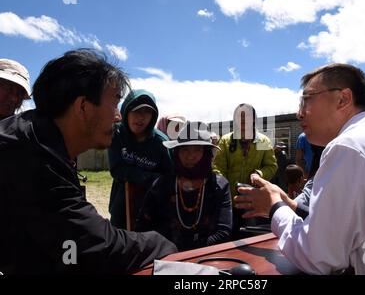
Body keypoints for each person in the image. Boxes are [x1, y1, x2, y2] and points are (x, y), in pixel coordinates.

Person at [235, 63, 365, 274]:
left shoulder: (350, 145)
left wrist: (275, 207)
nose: (299, 113)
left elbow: (317, 256)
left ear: (343, 99)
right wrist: (290, 205)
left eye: (306, 100)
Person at [0, 49, 177, 274]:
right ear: (83, 106)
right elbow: (93, 246)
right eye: (114, 103)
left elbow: (63, 246)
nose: (118, 116)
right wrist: (166, 245)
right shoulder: (31, 154)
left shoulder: (38, 137)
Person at [135, 121, 232, 251]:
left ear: (207, 153)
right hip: (165, 256)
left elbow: (223, 232)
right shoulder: (162, 184)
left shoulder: (218, 186)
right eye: (185, 149)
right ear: (176, 152)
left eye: (197, 149)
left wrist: (192, 252)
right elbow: (142, 226)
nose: (190, 156)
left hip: (207, 256)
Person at [108, 89, 173, 229]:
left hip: (151, 207)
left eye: (147, 112)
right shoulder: (117, 134)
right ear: (126, 110)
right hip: (121, 205)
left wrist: (133, 175)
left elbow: (169, 177)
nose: (141, 117)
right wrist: (150, 177)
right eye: (136, 111)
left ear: (153, 115)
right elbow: (117, 170)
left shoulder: (161, 143)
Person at [213, 103, 277, 238]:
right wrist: (225, 189)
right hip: (229, 201)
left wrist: (259, 174)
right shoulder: (226, 140)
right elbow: (217, 168)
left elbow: (271, 166)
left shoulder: (263, 141)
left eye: (246, 116)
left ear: (254, 119)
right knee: (228, 236)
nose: (242, 120)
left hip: (254, 200)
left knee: (252, 236)